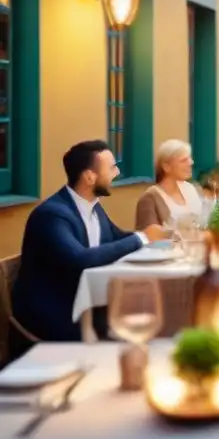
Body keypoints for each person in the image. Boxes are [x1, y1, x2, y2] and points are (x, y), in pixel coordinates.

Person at [11, 140, 165, 346]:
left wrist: (157, 239)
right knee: (141, 326)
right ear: (89, 177)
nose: (117, 172)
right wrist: (141, 238)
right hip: (56, 317)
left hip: (87, 308)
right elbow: (79, 260)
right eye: (111, 167)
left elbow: (118, 238)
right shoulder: (52, 215)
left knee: (148, 315)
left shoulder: (93, 206)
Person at [134, 139, 204, 228]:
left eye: (189, 159)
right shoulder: (150, 198)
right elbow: (150, 236)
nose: (191, 162)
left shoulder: (190, 188)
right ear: (166, 166)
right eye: (183, 160)